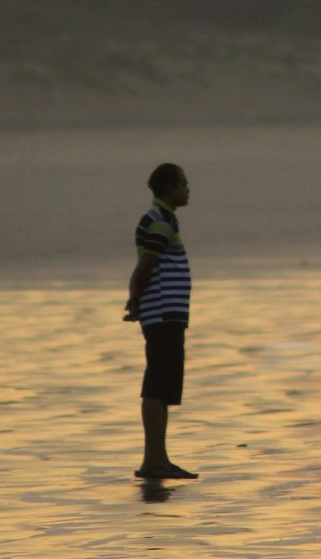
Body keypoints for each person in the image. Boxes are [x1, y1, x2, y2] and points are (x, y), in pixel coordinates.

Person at [123, 162, 198, 479]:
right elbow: (145, 267)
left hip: (167, 314)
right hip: (163, 314)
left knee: (162, 384)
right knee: (157, 384)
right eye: (183, 184)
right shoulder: (158, 222)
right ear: (169, 188)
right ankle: (153, 460)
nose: (188, 189)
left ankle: (159, 458)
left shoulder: (165, 220)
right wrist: (136, 301)